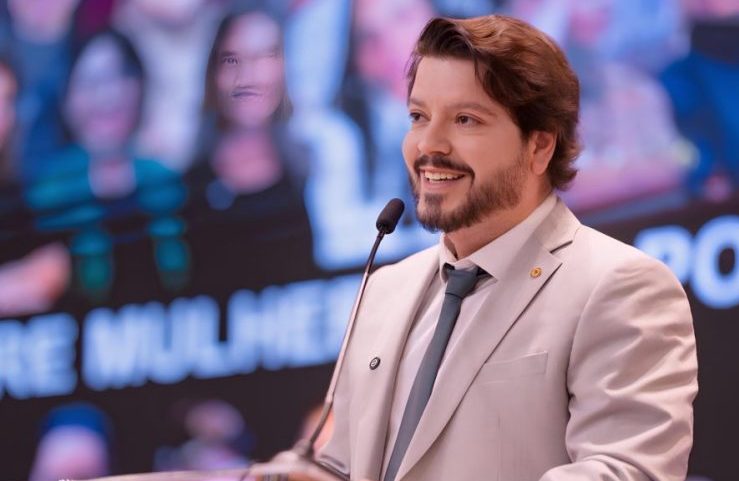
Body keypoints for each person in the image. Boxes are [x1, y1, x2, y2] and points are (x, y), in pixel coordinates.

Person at [314, 15, 698, 481]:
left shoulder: (622, 285)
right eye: (418, 117)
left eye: (465, 120)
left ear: (539, 147)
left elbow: (626, 470)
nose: (428, 145)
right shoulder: (383, 290)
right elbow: (342, 464)